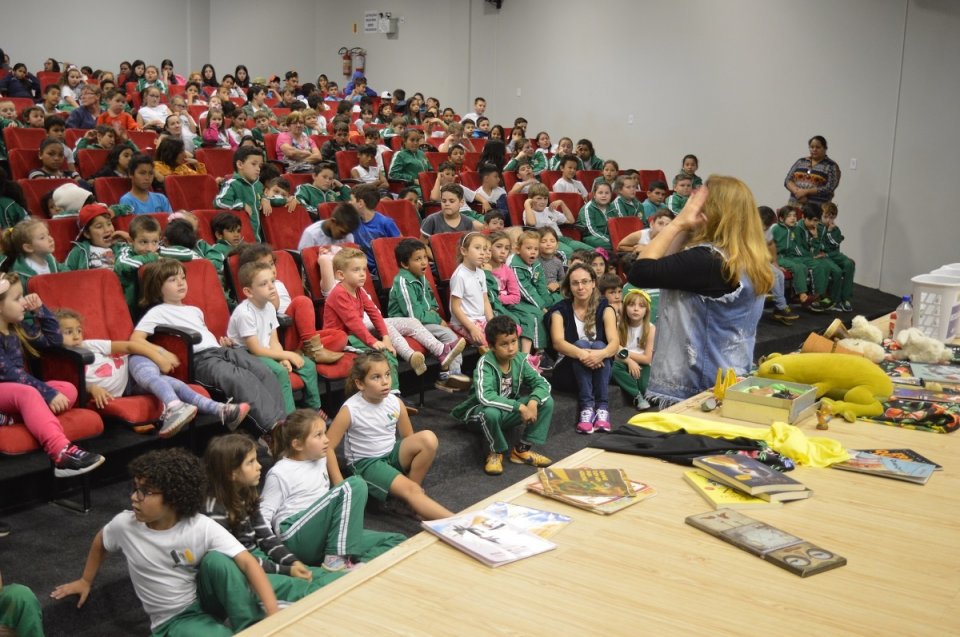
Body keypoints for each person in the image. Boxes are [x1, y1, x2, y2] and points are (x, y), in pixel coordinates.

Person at [52, 448, 280, 634]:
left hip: (201, 599)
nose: (134, 497)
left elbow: (247, 562)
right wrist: (85, 580)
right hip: (173, 621)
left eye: (145, 492)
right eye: (135, 488)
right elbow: (101, 541)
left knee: (218, 561)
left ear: (173, 497)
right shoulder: (125, 525)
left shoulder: (199, 525)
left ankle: (253, 628)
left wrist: (273, 615)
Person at [627, 176, 773, 405]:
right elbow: (668, 266)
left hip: (697, 388)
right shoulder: (749, 259)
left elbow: (641, 272)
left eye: (698, 202)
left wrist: (678, 223)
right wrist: (687, 229)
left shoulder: (709, 261)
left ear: (711, 211)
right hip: (731, 377)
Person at [133, 259, 286, 436]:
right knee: (241, 379)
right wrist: (161, 352)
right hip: (200, 360)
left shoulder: (194, 310)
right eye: (172, 280)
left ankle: (282, 424)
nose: (181, 283)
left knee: (263, 370)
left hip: (221, 351)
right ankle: (273, 431)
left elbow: (205, 337)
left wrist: (222, 343)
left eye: (182, 278)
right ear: (157, 287)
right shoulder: (157, 312)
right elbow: (136, 339)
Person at [57, 307, 248, 437]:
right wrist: (92, 389)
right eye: (68, 332)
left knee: (151, 377)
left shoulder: (90, 345)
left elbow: (129, 346)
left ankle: (174, 407)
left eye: (78, 330)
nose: (76, 336)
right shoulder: (60, 361)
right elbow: (70, 383)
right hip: (128, 389)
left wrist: (158, 355)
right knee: (174, 384)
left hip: (132, 365)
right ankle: (221, 409)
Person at [203, 433, 348, 604]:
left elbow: (266, 538)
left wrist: (293, 562)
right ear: (231, 473)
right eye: (250, 462)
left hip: (260, 560)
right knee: (309, 589)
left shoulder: (246, 493)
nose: (259, 466)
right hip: (243, 572)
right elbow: (239, 562)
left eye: (256, 460)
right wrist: (285, 571)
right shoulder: (214, 512)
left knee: (330, 577)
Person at [261, 409, 406, 571]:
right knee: (355, 485)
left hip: (323, 536)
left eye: (325, 433)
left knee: (397, 541)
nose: (326, 440)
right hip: (294, 537)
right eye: (318, 435)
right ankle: (336, 558)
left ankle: (349, 569)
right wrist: (276, 555)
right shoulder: (280, 472)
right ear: (297, 444)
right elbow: (262, 516)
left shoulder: (320, 459)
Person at [0, 273, 105, 477]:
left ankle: (10, 418)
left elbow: (54, 341)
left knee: (68, 389)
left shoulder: (17, 328)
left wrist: (40, 310)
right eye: (17, 298)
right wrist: (47, 393)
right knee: (29, 393)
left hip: (16, 395)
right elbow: (10, 374)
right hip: (10, 390)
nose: (24, 302)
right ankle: (61, 453)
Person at [326, 353, 453, 519]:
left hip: (390, 454)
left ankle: (404, 500)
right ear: (360, 383)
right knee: (413, 490)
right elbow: (327, 447)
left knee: (428, 438)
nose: (385, 381)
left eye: (387, 374)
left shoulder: (395, 402)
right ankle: (455, 522)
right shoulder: (350, 409)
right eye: (376, 377)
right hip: (367, 464)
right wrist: (340, 484)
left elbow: (409, 439)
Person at [451, 315, 554, 475]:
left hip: (506, 412)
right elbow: (485, 397)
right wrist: (520, 407)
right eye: (504, 344)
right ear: (492, 346)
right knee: (491, 413)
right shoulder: (485, 363)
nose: (511, 348)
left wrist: (533, 402)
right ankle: (495, 453)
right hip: (478, 415)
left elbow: (543, 384)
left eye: (514, 341)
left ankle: (521, 450)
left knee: (546, 401)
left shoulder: (520, 360)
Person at [227, 261, 322, 414]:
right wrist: (286, 355)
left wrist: (282, 357)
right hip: (246, 354)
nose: (272, 287)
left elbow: (274, 341)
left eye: (272, 281)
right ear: (249, 292)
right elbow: (256, 350)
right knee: (280, 372)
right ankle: (288, 418)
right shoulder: (244, 313)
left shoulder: (270, 307)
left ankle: (312, 409)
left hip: (266, 351)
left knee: (308, 365)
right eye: (264, 284)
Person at [236, 244, 345, 365]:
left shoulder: (278, 283)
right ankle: (314, 351)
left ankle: (302, 352)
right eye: (264, 266)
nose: (271, 269)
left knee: (340, 336)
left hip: (301, 334)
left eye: (271, 264)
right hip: (281, 333)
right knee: (302, 301)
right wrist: (270, 285)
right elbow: (273, 308)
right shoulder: (258, 289)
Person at [387, 238, 469, 391]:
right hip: (406, 325)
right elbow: (414, 315)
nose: (424, 262)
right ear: (405, 264)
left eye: (425, 257)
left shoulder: (421, 276)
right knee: (449, 335)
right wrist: (436, 318)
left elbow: (431, 301)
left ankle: (447, 376)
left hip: (424, 321)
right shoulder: (403, 281)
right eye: (418, 259)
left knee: (448, 335)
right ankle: (453, 375)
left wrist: (433, 313)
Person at [546, 264, 619, 434]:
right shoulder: (560, 310)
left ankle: (602, 409)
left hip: (599, 370)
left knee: (600, 345)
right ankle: (587, 408)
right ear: (569, 286)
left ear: (593, 283)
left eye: (585, 282)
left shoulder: (606, 308)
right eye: (575, 283)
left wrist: (600, 354)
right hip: (568, 372)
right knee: (581, 344)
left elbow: (614, 343)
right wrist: (584, 355)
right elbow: (558, 343)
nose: (580, 287)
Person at [771, 204, 832, 309]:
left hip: (794, 256)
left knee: (817, 264)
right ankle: (802, 296)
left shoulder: (797, 229)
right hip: (780, 257)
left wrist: (810, 255)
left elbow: (800, 246)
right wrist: (773, 262)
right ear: (781, 219)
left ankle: (819, 295)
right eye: (789, 216)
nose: (793, 218)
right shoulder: (776, 229)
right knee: (799, 267)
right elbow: (768, 246)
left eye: (794, 216)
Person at [612, 288, 656, 411]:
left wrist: (624, 352)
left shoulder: (650, 328)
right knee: (613, 368)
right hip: (622, 362)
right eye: (631, 305)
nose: (636, 309)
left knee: (645, 388)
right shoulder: (618, 326)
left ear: (646, 310)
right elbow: (613, 351)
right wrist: (629, 361)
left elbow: (647, 359)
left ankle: (642, 391)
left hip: (642, 364)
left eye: (641, 306)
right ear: (625, 307)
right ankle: (637, 396)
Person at [213, 146, 270, 241]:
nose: (258, 169)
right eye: (253, 164)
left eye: (259, 166)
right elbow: (219, 202)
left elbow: (262, 196)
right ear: (240, 164)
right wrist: (241, 205)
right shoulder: (232, 184)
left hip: (258, 238)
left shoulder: (258, 185)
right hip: (240, 239)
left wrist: (265, 199)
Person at [523, 183, 592, 261]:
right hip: (549, 242)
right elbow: (531, 223)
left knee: (590, 250)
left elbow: (571, 220)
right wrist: (527, 204)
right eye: (539, 198)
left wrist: (562, 204)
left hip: (562, 239)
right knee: (569, 253)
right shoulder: (528, 211)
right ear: (530, 199)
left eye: (545, 198)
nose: (543, 202)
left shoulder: (549, 210)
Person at [449, 232, 494, 347]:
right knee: (491, 342)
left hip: (481, 319)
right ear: (464, 251)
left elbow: (485, 301)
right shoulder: (459, 276)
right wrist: (472, 328)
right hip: (465, 323)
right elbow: (455, 308)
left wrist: (492, 322)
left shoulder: (481, 273)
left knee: (508, 332)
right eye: (477, 248)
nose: (482, 252)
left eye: (484, 249)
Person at [758, 205, 801, 324]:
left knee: (780, 274)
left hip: (760, 261)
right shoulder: (746, 229)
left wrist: (774, 262)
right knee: (774, 275)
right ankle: (782, 306)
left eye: (767, 227)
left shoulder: (767, 229)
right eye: (763, 226)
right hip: (747, 262)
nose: (765, 229)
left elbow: (771, 244)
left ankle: (778, 309)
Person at [350, 184, 400, 278]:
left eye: (351, 200)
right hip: (363, 270)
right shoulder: (353, 223)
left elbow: (402, 246)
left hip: (386, 271)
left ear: (360, 203)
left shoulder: (386, 223)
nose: (349, 203)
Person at [65, 204, 131, 271]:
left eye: (109, 224)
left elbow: (136, 257)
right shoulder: (79, 251)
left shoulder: (120, 247)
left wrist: (127, 237)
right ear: (87, 234)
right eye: (99, 227)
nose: (107, 230)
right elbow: (66, 273)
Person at [2, 218, 62, 289]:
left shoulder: (51, 260)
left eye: (48, 234)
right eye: (42, 237)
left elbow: (65, 274)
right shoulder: (20, 275)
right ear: (29, 247)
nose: (50, 239)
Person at [784, 135, 840, 206]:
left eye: (818, 147)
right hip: (794, 205)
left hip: (816, 208)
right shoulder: (801, 161)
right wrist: (797, 192)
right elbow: (787, 180)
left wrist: (806, 192)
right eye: (812, 147)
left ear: (825, 148)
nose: (814, 149)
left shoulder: (831, 166)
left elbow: (829, 188)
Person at [820, 202, 855, 312]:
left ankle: (845, 298)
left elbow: (835, 244)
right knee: (837, 271)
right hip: (824, 256)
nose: (828, 220)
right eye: (826, 217)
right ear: (821, 215)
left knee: (849, 264)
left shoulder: (836, 229)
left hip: (835, 255)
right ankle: (835, 300)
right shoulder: (818, 227)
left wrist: (830, 232)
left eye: (831, 217)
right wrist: (828, 234)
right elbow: (821, 245)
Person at [578, 182, 614, 249]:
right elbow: (591, 230)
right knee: (608, 244)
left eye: (607, 193)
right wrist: (610, 240)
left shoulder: (613, 207)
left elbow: (617, 226)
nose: (604, 195)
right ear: (594, 195)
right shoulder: (588, 208)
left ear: (611, 195)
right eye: (600, 193)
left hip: (610, 237)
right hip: (592, 237)